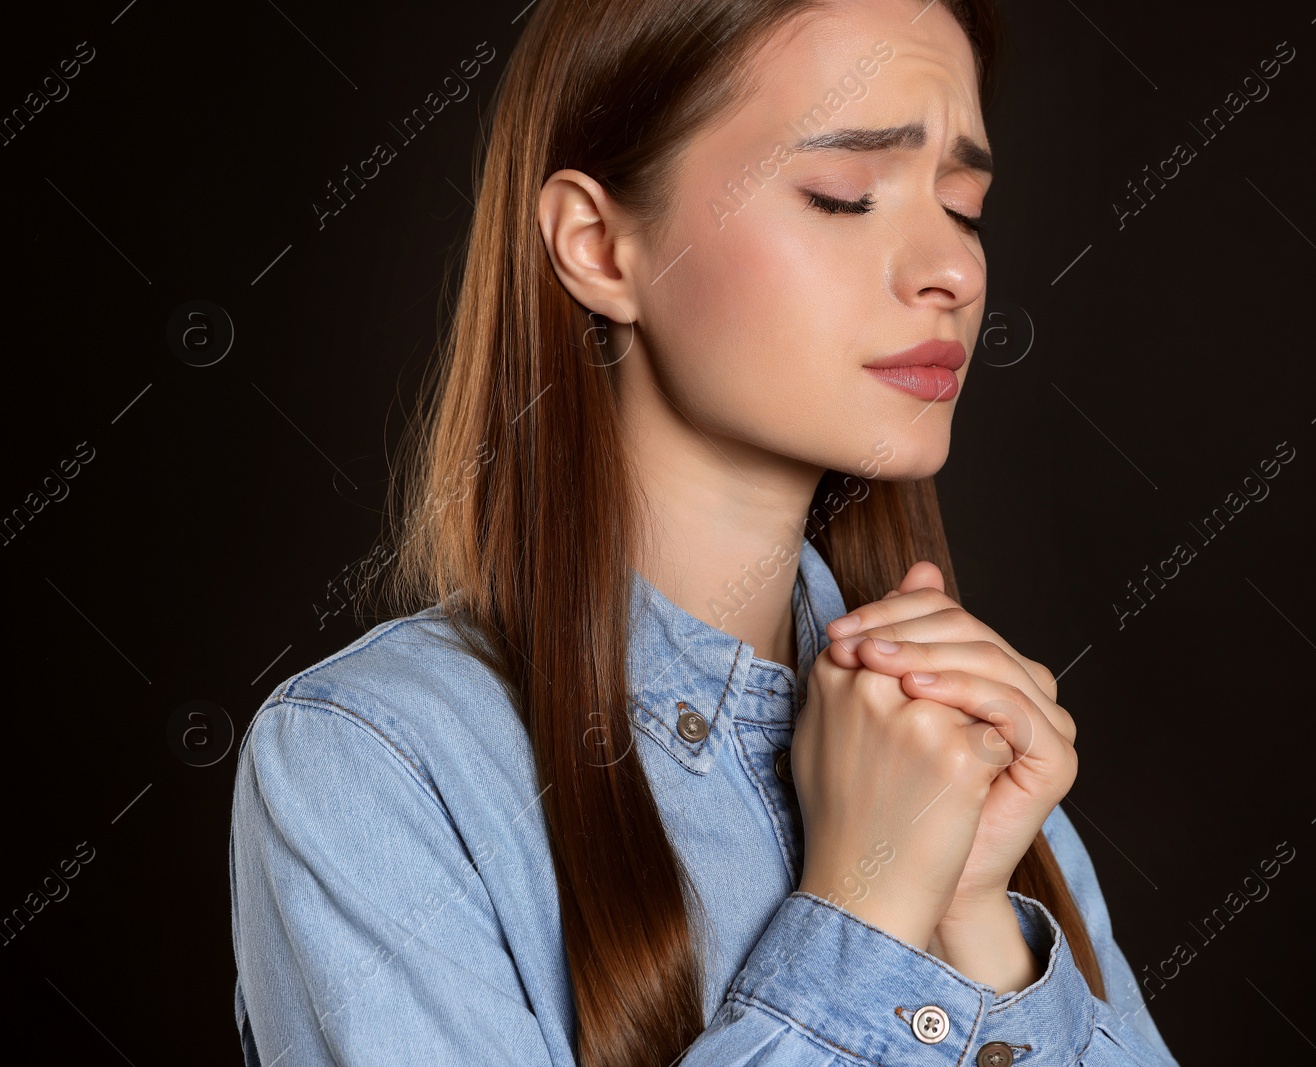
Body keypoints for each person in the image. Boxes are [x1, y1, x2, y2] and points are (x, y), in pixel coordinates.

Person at [228, 0, 1181, 1063]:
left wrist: (974, 920)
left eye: (961, 205)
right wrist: (867, 911)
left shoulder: (962, 744)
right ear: (598, 245)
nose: (951, 271)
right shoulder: (378, 761)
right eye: (844, 196)